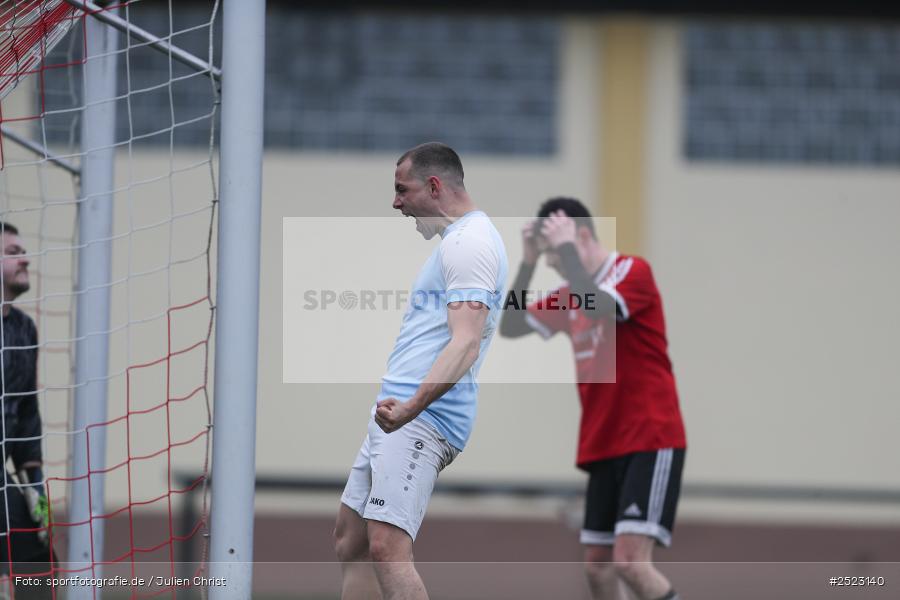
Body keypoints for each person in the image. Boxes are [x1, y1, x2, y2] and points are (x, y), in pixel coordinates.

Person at [332, 142, 508, 600]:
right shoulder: (458, 241)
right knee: (350, 541)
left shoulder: (472, 243)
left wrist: (411, 407)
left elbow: (466, 342)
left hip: (423, 419)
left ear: (434, 186)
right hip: (396, 414)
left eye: (401, 190)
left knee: (388, 549)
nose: (395, 203)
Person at [500, 198, 686, 600]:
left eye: (555, 252)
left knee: (630, 562)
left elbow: (598, 305)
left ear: (581, 237)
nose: (553, 263)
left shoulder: (632, 272)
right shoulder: (569, 293)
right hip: (604, 441)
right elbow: (511, 324)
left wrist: (565, 249)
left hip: (649, 436)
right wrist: (529, 262)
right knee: (598, 565)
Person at [0, 222, 53, 597]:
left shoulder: (24, 329)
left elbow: (27, 413)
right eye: (14, 253)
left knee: (39, 556)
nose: (26, 260)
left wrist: (37, 491)